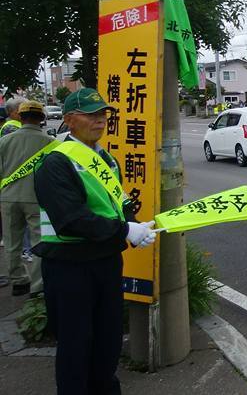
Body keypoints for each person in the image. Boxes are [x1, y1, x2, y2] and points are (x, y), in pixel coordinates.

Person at [34, 88, 158, 395]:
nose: (100, 121)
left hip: (105, 261)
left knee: (108, 341)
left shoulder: (105, 159)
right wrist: (124, 232)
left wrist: (133, 223)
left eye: (103, 114)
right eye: (90, 115)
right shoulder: (55, 162)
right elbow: (70, 218)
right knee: (76, 346)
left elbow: (118, 203)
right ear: (69, 121)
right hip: (68, 267)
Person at [0, 101, 53, 296]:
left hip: (8, 197)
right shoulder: (49, 142)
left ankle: (19, 281)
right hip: (36, 198)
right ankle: (37, 286)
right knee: (39, 240)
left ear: (20, 117)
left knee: (12, 241)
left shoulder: (4, 141)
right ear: (42, 118)